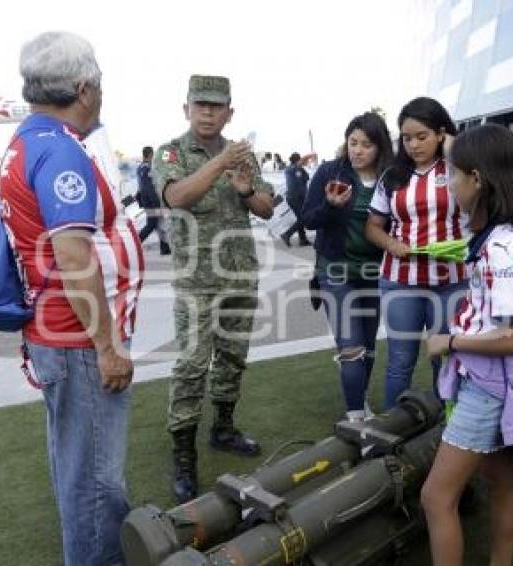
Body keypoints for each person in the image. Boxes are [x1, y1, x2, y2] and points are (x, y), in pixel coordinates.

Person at [0, 31, 143, 565]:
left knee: (77, 466)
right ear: (84, 88)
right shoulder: (59, 150)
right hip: (79, 339)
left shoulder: (28, 141)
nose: (102, 92)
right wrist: (107, 345)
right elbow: (75, 257)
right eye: (99, 81)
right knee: (96, 484)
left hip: (59, 334)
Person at [422, 123, 513, 566]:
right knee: (501, 479)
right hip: (501, 384)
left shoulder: (502, 248)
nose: (448, 183)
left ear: (477, 179)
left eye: (452, 174)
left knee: (436, 497)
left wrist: (448, 341)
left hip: (491, 386)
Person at [152, 75, 275, 503]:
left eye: (216, 105)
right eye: (199, 104)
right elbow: (178, 197)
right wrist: (222, 162)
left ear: (229, 112)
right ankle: (183, 454)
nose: (207, 111)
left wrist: (246, 191)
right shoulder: (171, 153)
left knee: (232, 357)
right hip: (196, 281)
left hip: (240, 272)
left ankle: (223, 427)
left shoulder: (244, 156)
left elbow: (265, 206)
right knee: (190, 365)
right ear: (185, 108)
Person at [365, 97, 465, 409]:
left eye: (422, 137)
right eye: (407, 138)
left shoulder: (459, 168)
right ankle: (394, 428)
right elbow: (372, 226)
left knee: (444, 357)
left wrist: (455, 149)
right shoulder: (393, 175)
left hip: (452, 280)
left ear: (441, 133)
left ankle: (442, 430)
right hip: (400, 280)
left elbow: (488, 193)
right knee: (400, 360)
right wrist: (392, 244)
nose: (413, 145)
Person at [301, 111, 394, 421]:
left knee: (368, 348)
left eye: (366, 144)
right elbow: (308, 219)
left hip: (373, 273)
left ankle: (360, 401)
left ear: (380, 147)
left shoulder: (391, 178)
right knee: (351, 348)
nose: (357, 150)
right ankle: (356, 419)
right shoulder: (331, 171)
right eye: (352, 142)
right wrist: (329, 205)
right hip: (335, 272)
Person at [136, 145, 172, 255]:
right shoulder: (147, 169)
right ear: (151, 154)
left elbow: (140, 188)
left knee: (160, 223)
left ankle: (165, 248)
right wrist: (156, 203)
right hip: (152, 202)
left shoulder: (140, 168)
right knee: (152, 225)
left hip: (148, 201)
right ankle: (136, 243)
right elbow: (149, 188)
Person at [280, 152, 311, 247]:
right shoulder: (294, 169)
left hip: (295, 198)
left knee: (301, 218)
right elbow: (302, 180)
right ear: (298, 160)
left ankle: (303, 239)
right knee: (303, 218)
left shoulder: (294, 169)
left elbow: (306, 177)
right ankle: (287, 234)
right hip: (296, 198)